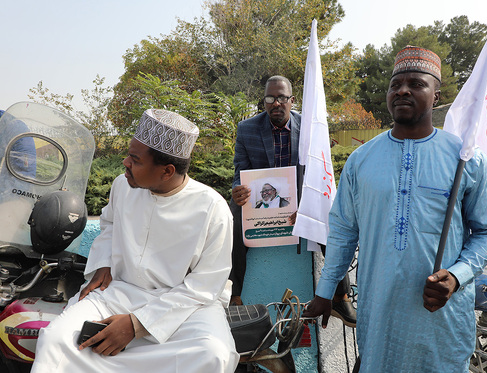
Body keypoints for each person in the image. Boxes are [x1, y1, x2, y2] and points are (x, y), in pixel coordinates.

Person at [303, 46, 487, 372]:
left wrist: (457, 276)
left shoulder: (464, 158)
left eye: (416, 83)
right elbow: (343, 230)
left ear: (436, 96)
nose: (402, 90)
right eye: (395, 84)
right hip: (379, 312)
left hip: (441, 317)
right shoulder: (361, 160)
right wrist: (326, 291)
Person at [31, 109, 239, 373]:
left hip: (186, 306)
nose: (125, 163)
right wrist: (104, 262)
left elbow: (204, 286)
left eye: (135, 159)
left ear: (167, 171)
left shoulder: (212, 208)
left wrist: (136, 325)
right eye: (129, 154)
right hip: (119, 291)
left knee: (212, 354)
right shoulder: (122, 186)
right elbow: (108, 223)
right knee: (56, 341)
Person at [229, 75, 356, 327]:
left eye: (282, 98)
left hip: (301, 200)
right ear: (263, 101)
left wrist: (307, 206)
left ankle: (340, 295)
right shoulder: (247, 129)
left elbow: (320, 176)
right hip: (262, 202)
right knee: (233, 214)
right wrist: (237, 190)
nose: (276, 103)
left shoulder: (310, 128)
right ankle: (235, 296)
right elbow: (239, 174)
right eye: (270, 98)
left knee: (328, 215)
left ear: (292, 100)